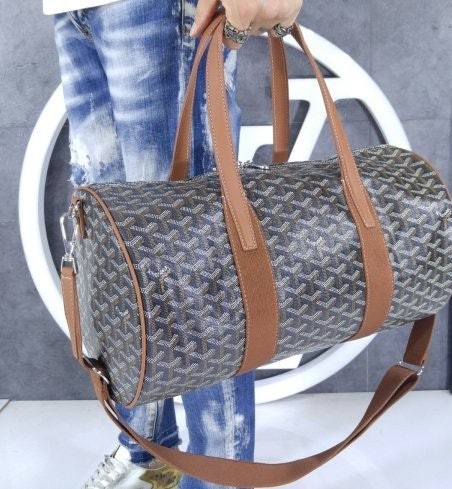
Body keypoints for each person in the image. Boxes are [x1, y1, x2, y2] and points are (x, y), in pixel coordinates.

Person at [47, 0, 302, 488]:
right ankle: (148, 451)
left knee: (198, 257)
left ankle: (220, 477)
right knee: (112, 247)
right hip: (73, 9)